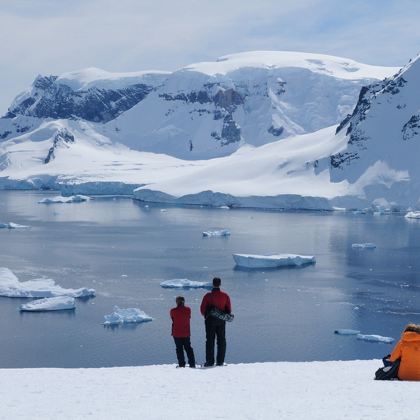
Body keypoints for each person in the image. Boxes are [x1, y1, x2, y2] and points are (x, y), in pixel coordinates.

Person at [200, 277, 232, 367]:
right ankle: (220, 362)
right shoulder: (225, 295)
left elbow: (202, 310)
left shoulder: (207, 296)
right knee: (221, 340)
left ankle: (210, 362)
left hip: (210, 321)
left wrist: (207, 315)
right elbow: (229, 310)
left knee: (210, 341)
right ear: (220, 284)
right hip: (221, 321)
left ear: (212, 284)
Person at [170, 296, 195, 368]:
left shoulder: (173, 311)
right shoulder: (188, 310)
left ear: (177, 302)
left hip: (176, 333)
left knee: (179, 348)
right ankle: (192, 364)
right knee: (188, 348)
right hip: (186, 332)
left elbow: (172, 318)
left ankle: (181, 364)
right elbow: (189, 317)